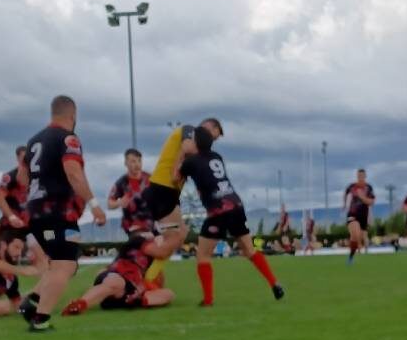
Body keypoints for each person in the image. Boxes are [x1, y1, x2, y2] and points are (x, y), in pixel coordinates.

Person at [16, 95, 106, 332]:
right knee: (65, 265)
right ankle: (40, 320)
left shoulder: (34, 140)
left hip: (35, 212)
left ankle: (32, 301)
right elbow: (74, 173)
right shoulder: (68, 139)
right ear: (73, 115)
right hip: (57, 211)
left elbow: (21, 178)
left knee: (64, 264)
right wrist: (94, 204)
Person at [176, 127, 284, 306]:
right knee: (249, 250)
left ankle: (208, 300)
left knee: (203, 255)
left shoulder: (191, 162)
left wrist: (182, 152)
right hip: (236, 204)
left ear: (194, 143)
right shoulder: (217, 157)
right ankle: (274, 283)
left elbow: (175, 178)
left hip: (218, 210)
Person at [138, 118, 224, 282]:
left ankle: (148, 275)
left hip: (167, 191)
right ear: (208, 126)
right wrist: (178, 170)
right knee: (176, 237)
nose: (213, 141)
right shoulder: (189, 130)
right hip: (163, 188)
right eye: (214, 136)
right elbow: (186, 148)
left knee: (177, 235)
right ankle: (146, 277)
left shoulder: (194, 144)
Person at [61, 233, 175, 315]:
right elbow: (162, 252)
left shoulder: (152, 264)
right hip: (118, 277)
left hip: (131, 291)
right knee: (116, 282)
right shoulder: (137, 241)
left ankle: (134, 301)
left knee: (168, 294)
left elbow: (156, 284)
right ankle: (80, 304)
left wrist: (147, 287)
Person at [0, 146, 49, 273]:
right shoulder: (9, 177)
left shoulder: (38, 177)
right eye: (24, 158)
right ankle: (1, 281)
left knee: (41, 255)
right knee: (5, 256)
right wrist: (11, 216)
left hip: (30, 224)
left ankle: (43, 287)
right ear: (18, 158)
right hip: (11, 224)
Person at [107, 148, 153, 237]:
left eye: (139, 161)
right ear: (126, 163)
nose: (137, 164)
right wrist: (119, 202)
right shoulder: (122, 182)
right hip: (133, 226)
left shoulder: (150, 179)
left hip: (153, 223)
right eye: (133, 161)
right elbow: (109, 204)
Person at [344, 169, 375, 265]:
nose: (360, 177)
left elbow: (371, 202)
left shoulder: (368, 188)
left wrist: (362, 197)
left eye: (362, 175)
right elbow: (345, 194)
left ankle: (351, 256)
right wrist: (344, 204)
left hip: (363, 216)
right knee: (355, 234)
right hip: (352, 214)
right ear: (357, 176)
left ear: (365, 176)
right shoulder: (352, 186)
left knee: (359, 237)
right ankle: (351, 258)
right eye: (359, 175)